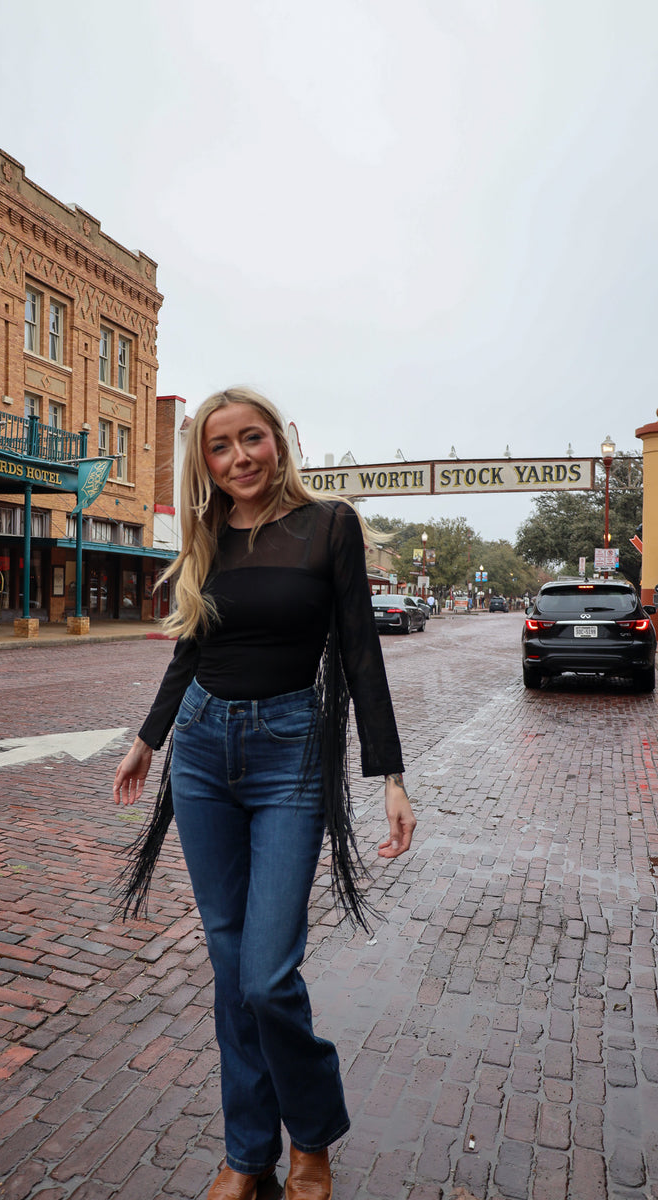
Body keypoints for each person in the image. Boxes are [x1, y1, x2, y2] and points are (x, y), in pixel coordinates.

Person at [113, 387, 416, 1200]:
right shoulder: (209, 530)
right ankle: (249, 1154)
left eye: (252, 439)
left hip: (291, 756)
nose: (238, 457)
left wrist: (390, 776)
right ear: (204, 460)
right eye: (220, 447)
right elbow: (189, 649)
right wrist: (149, 740)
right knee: (226, 963)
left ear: (278, 442)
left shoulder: (330, 526)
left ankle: (311, 1133)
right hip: (205, 754)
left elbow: (360, 655)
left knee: (266, 976)